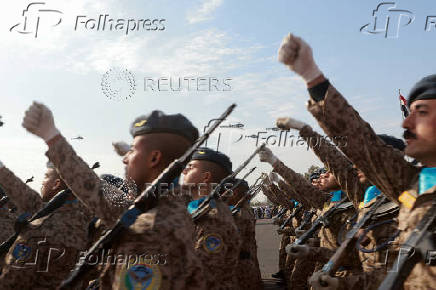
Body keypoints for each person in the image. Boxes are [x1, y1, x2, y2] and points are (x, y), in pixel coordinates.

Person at [277, 32, 436, 289]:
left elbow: (350, 158)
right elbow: (359, 142)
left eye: (422, 112)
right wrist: (311, 76)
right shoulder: (414, 185)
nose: (406, 123)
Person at [22, 103, 206, 289]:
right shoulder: (160, 207)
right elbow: (93, 189)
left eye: (132, 151)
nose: (126, 159)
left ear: (154, 159)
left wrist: (52, 137)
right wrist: (52, 137)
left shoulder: (150, 229)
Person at [183, 147, 242, 289]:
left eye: (190, 167)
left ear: (206, 177)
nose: (184, 171)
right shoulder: (197, 208)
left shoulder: (212, 218)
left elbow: (202, 275)